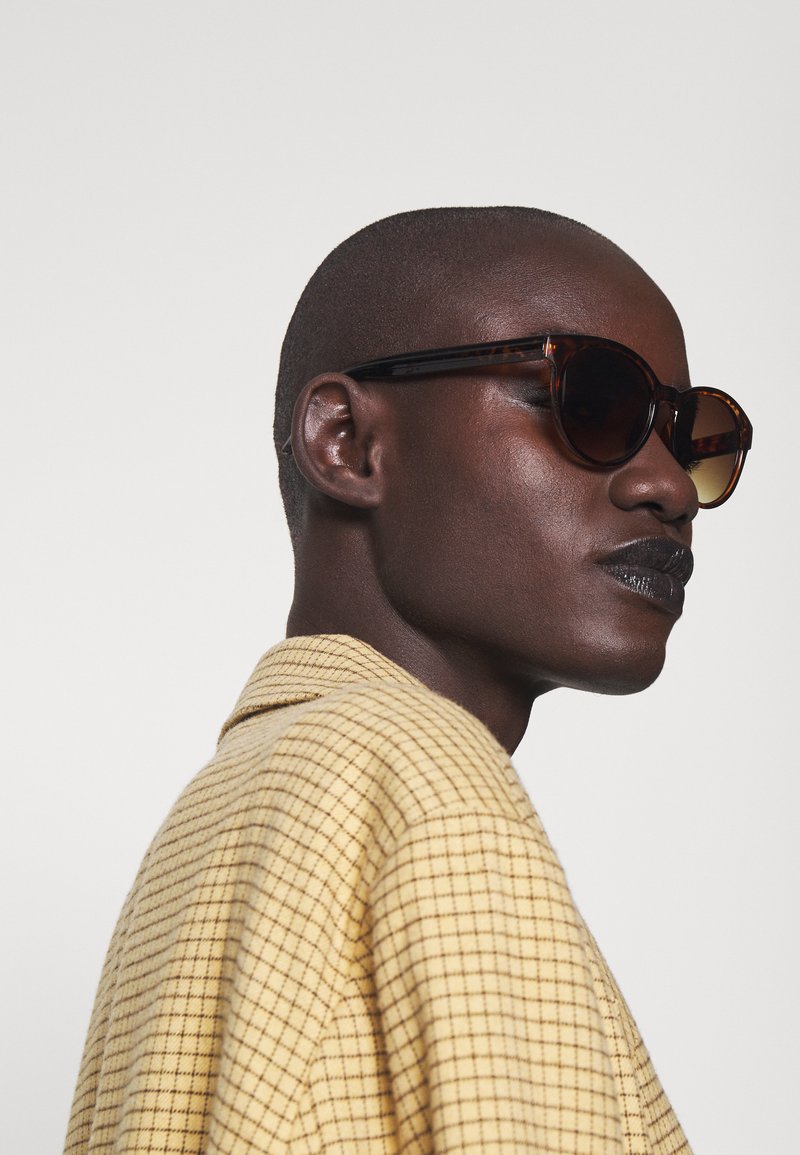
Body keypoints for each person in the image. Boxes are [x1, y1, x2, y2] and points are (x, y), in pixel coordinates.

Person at [64, 207, 752, 1154]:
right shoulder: (426, 785)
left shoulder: (215, 821)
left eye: (690, 437)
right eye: (593, 402)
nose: (669, 486)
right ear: (348, 442)